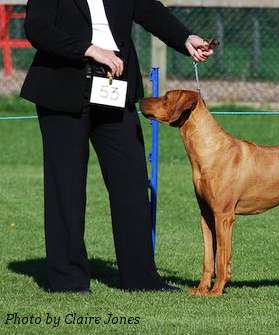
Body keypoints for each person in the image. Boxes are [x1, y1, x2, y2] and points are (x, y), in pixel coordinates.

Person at [20, 0, 213, 293]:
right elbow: (38, 28)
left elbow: (149, 9)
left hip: (114, 87)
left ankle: (141, 279)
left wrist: (185, 38)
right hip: (63, 89)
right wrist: (89, 48)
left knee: (132, 183)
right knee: (67, 187)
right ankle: (68, 281)